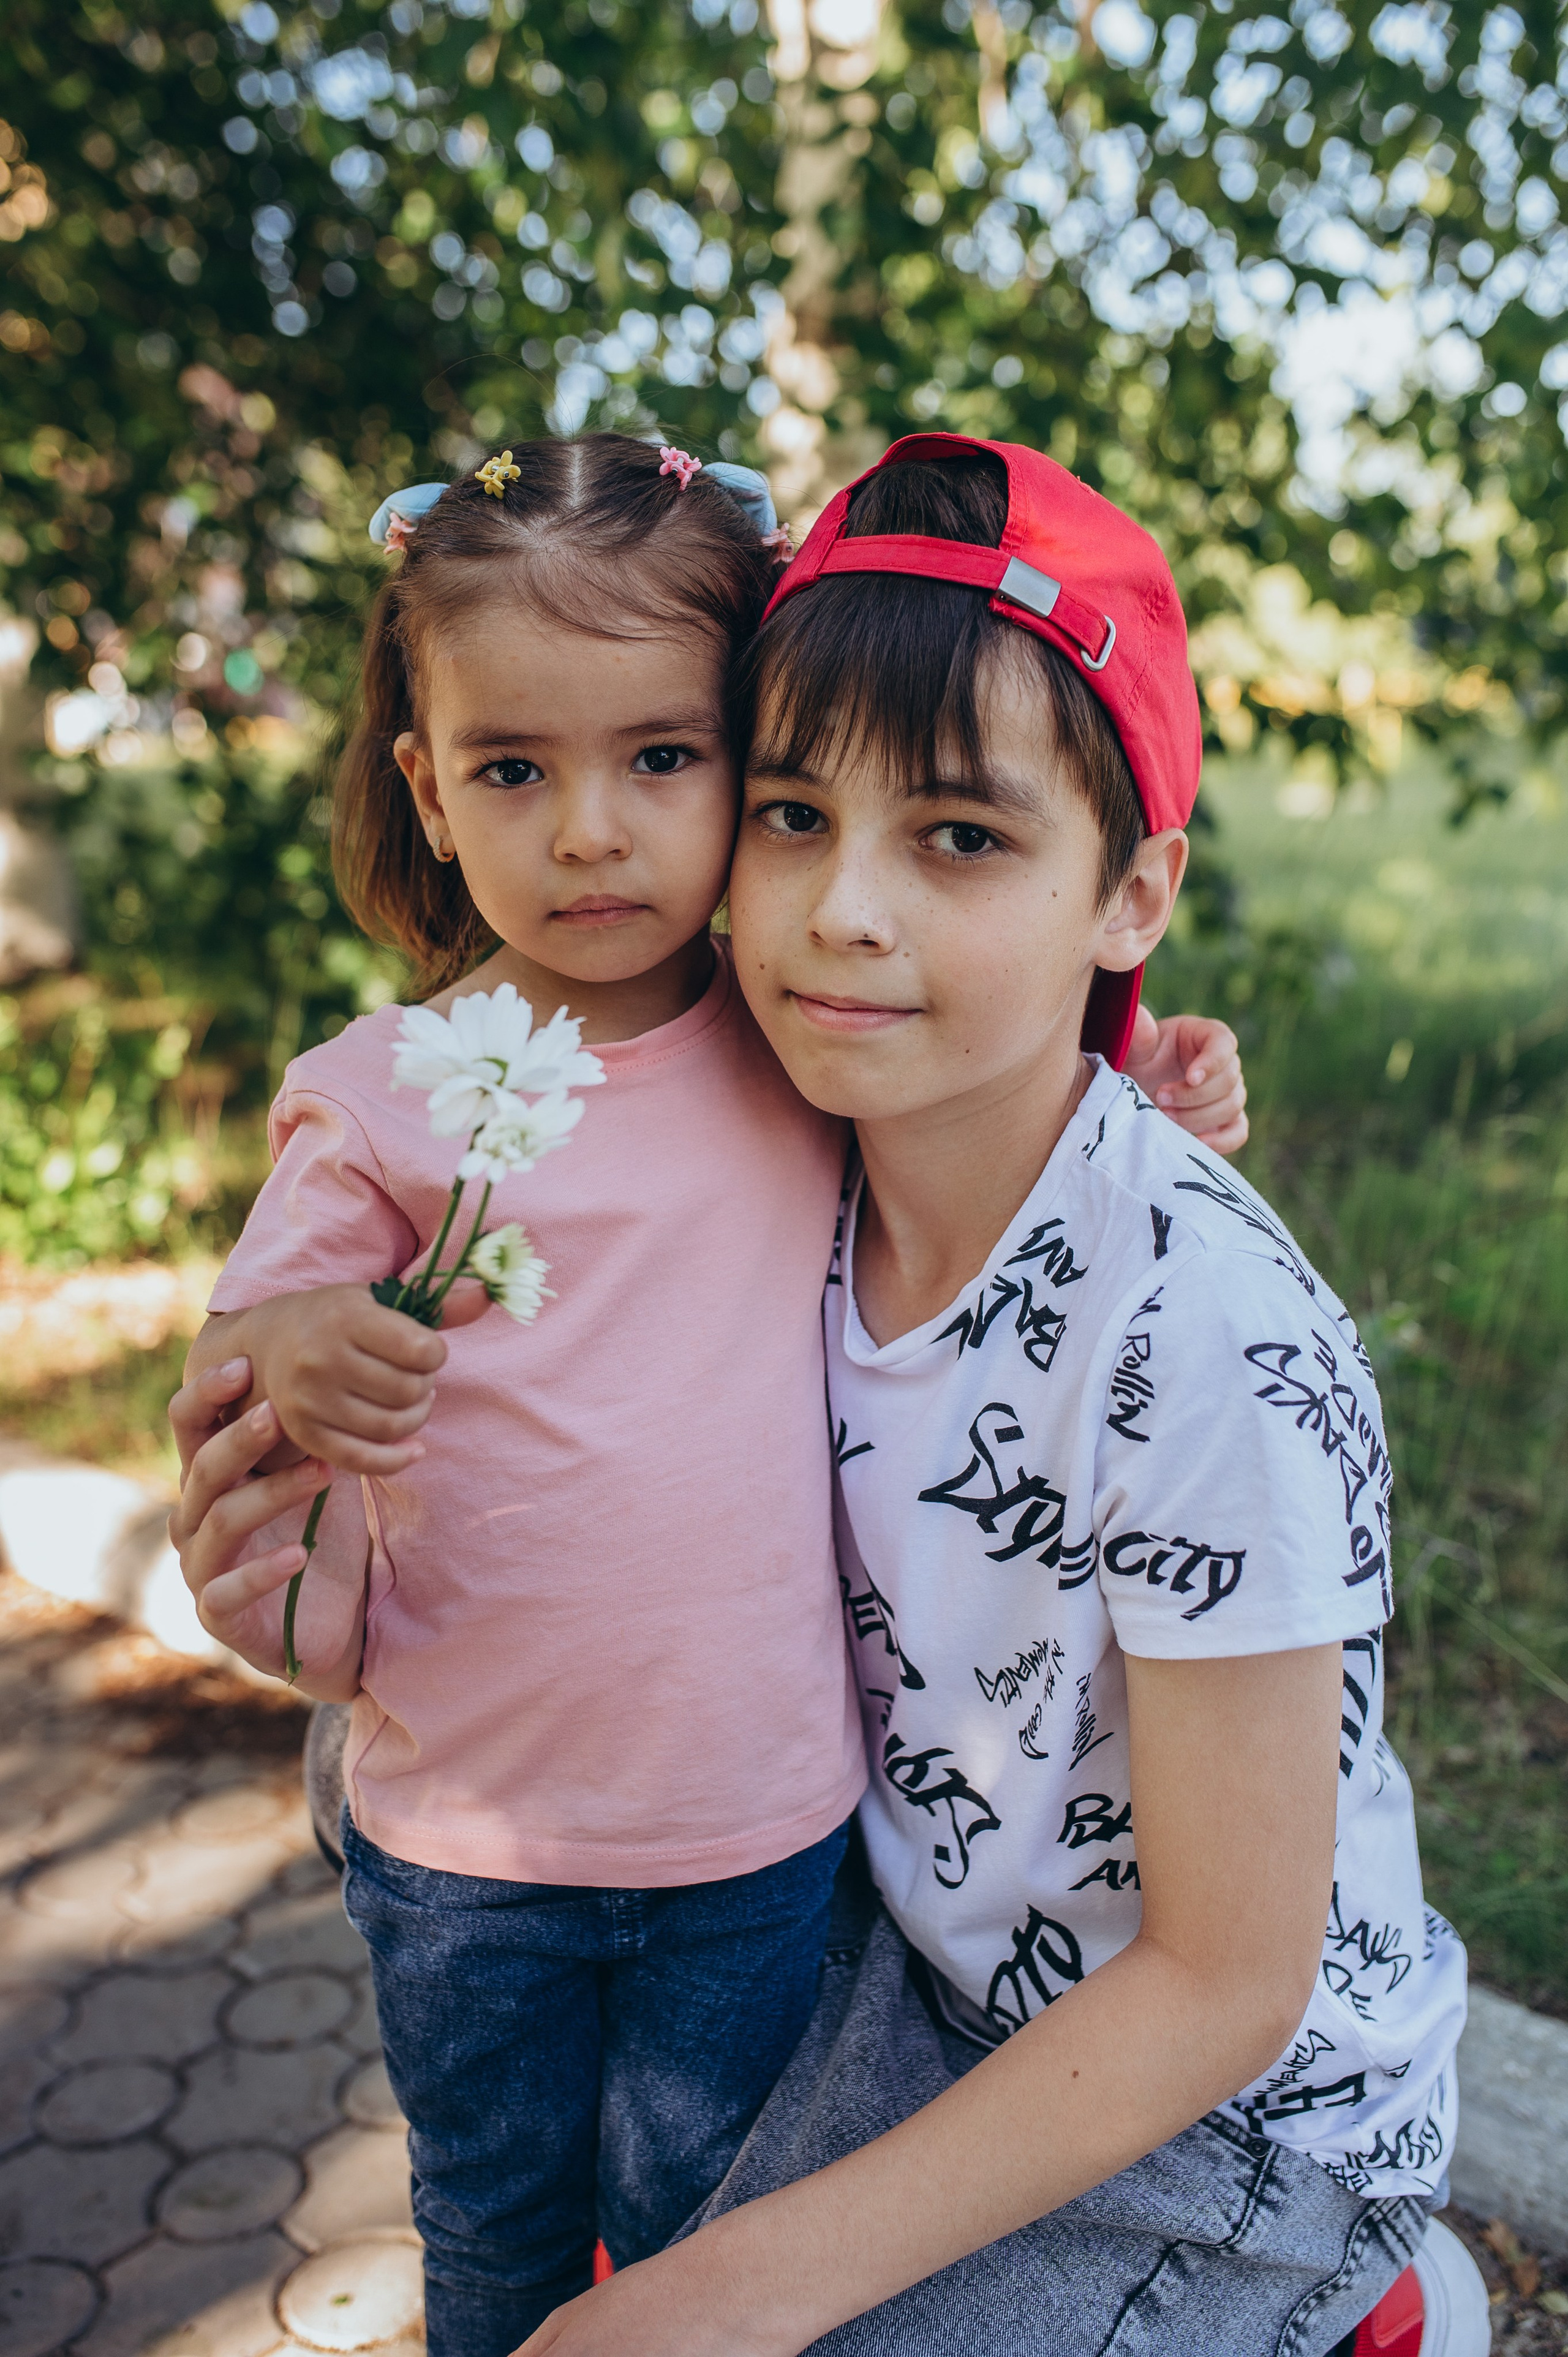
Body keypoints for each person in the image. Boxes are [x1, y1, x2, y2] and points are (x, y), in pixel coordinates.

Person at [165, 431, 1248, 2357]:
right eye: (515, 768)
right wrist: (297, 1349)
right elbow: (243, 1362)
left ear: (745, 772)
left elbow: (998, 1132)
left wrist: (1139, 1091)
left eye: (665, 761)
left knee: (702, 2250)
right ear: (428, 786)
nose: (592, 831)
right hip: (467, 1846)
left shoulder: (795, 1039)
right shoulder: (389, 1092)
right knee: (495, 2237)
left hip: (761, 1836)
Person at [501, 437, 1472, 2357]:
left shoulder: (1205, 1342)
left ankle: (1380, 2311)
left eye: (960, 838)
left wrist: (735, 2298)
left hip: (1245, 2125)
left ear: (1133, 894)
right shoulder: (783, 1161)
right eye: (790, 813)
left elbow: (1222, 1984)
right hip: (930, 1956)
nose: (845, 911)